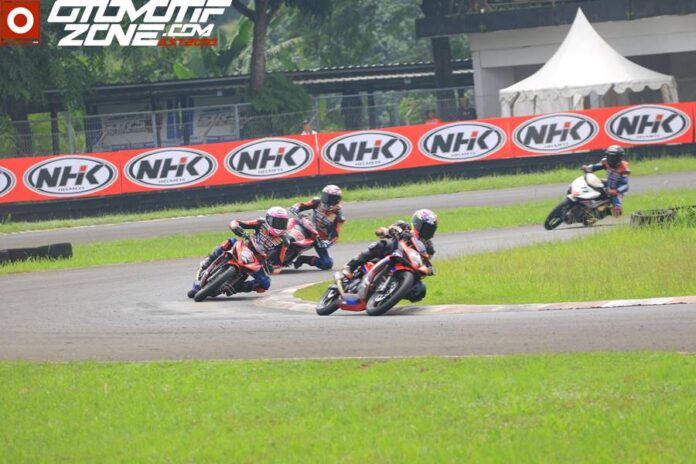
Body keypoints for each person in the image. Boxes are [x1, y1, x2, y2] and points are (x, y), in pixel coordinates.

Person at [341, 209, 438, 302]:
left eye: (431, 229)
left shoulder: (429, 247)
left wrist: (428, 268)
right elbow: (379, 231)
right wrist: (389, 231)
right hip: (389, 255)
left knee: (420, 290)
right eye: (426, 228)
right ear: (417, 223)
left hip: (407, 266)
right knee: (382, 244)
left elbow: (425, 260)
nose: (428, 231)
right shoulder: (404, 226)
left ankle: (390, 296)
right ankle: (350, 266)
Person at [192, 207, 291, 295]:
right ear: (269, 219)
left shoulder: (284, 240)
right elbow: (237, 222)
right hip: (244, 247)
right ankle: (208, 261)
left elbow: (279, 261)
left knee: (265, 283)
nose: (280, 226)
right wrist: (236, 228)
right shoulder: (261, 223)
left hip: (257, 261)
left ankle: (237, 287)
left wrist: (272, 266)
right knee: (229, 242)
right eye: (277, 222)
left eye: (283, 223)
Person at [288, 185, 345, 270]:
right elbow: (303, 205)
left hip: (319, 238)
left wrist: (328, 242)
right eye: (326, 196)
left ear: (336, 200)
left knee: (327, 264)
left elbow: (335, 234)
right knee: (291, 223)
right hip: (307, 226)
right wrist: (296, 206)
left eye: (331, 198)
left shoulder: (339, 215)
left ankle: (303, 259)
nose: (326, 199)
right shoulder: (317, 202)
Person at [582, 145, 631, 217]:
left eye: (613, 157)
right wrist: (587, 168)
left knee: (617, 211)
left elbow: (625, 185)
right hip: (607, 182)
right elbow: (596, 167)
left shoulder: (624, 167)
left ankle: (606, 211)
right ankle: (584, 198)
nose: (611, 159)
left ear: (619, 158)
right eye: (609, 156)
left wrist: (616, 191)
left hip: (616, 189)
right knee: (593, 181)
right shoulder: (605, 161)